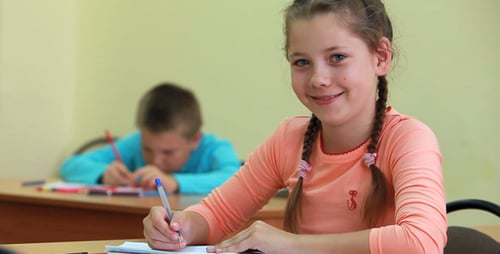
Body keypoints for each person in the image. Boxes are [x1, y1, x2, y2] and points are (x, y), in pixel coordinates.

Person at [143, 0, 447, 253]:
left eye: (337, 57)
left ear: (380, 57)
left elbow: (421, 242)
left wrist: (292, 244)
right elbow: (217, 214)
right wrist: (179, 226)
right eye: (302, 62)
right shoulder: (288, 139)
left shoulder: (408, 139)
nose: (318, 79)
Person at [60, 82, 242, 194]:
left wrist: (175, 182)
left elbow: (236, 180)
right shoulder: (136, 142)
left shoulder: (216, 149)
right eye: (147, 149)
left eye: (168, 152)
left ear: (195, 140)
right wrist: (104, 174)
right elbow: (71, 165)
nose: (155, 161)